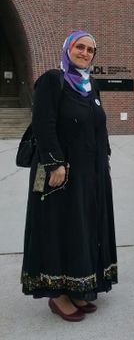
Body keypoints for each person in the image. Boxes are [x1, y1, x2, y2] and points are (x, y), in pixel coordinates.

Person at [21, 30, 117, 321]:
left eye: (90, 50)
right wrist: (55, 164)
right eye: (80, 47)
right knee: (58, 228)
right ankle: (57, 294)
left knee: (82, 228)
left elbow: (98, 127)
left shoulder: (91, 86)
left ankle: (78, 285)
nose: (85, 53)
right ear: (68, 48)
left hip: (91, 174)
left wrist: (104, 164)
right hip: (61, 175)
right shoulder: (53, 80)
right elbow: (43, 124)